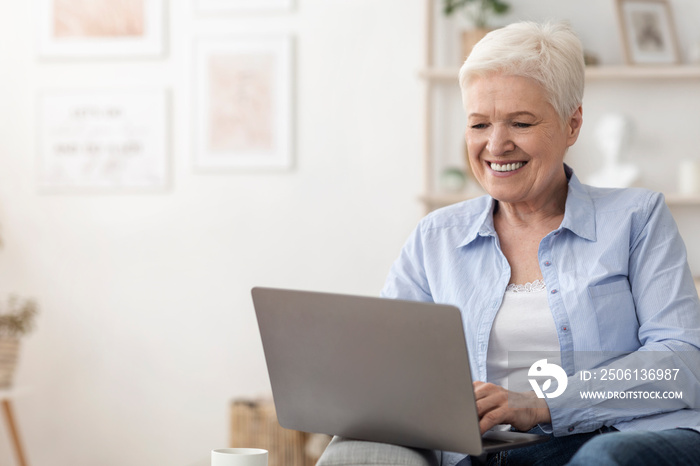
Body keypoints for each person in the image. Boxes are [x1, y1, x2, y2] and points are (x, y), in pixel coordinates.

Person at [316, 21, 700, 466]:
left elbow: (681, 364)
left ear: (572, 124)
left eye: (520, 122)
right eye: (479, 124)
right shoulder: (436, 237)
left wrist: (542, 405)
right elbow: (389, 366)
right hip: (479, 452)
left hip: (606, 438)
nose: (496, 145)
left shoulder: (637, 219)